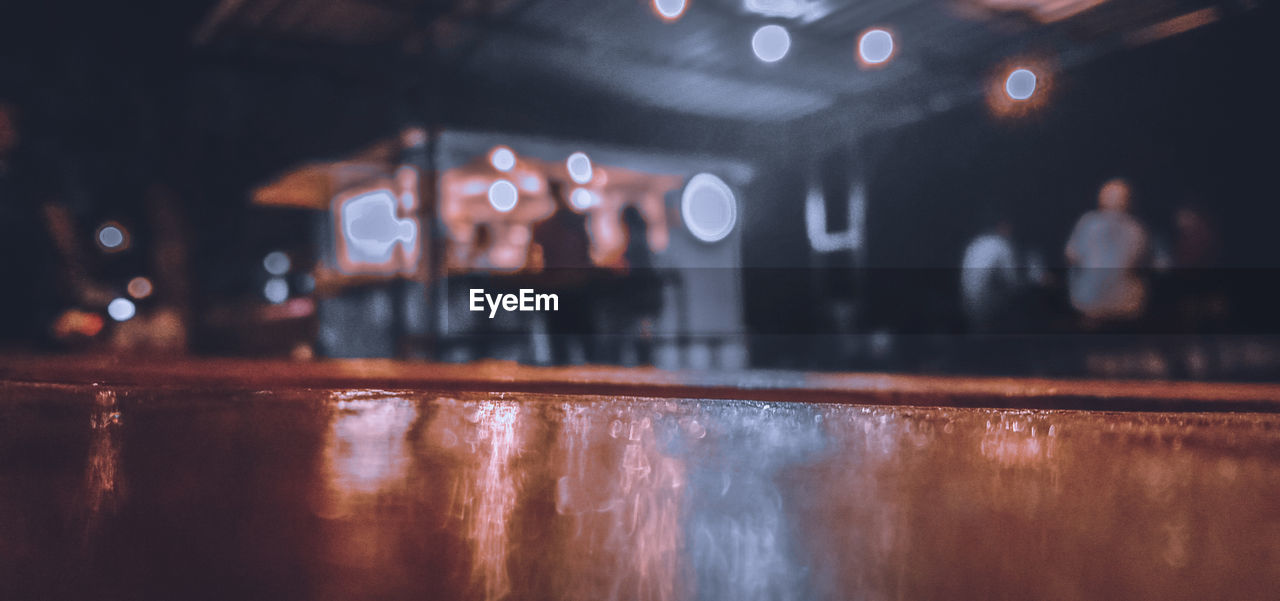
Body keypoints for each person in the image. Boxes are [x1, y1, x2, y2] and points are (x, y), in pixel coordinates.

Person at [1064, 178, 1150, 324]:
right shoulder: (1137, 228)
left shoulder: (1087, 222)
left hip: (1089, 303)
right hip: (1127, 306)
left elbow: (1071, 256)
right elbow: (1139, 263)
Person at [532, 182, 595, 364]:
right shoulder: (572, 223)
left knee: (566, 346)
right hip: (570, 288)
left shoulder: (548, 227)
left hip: (565, 289)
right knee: (579, 345)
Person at [960, 218, 1018, 333]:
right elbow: (1012, 281)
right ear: (1004, 227)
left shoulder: (977, 242)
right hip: (989, 307)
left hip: (967, 305)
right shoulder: (1002, 245)